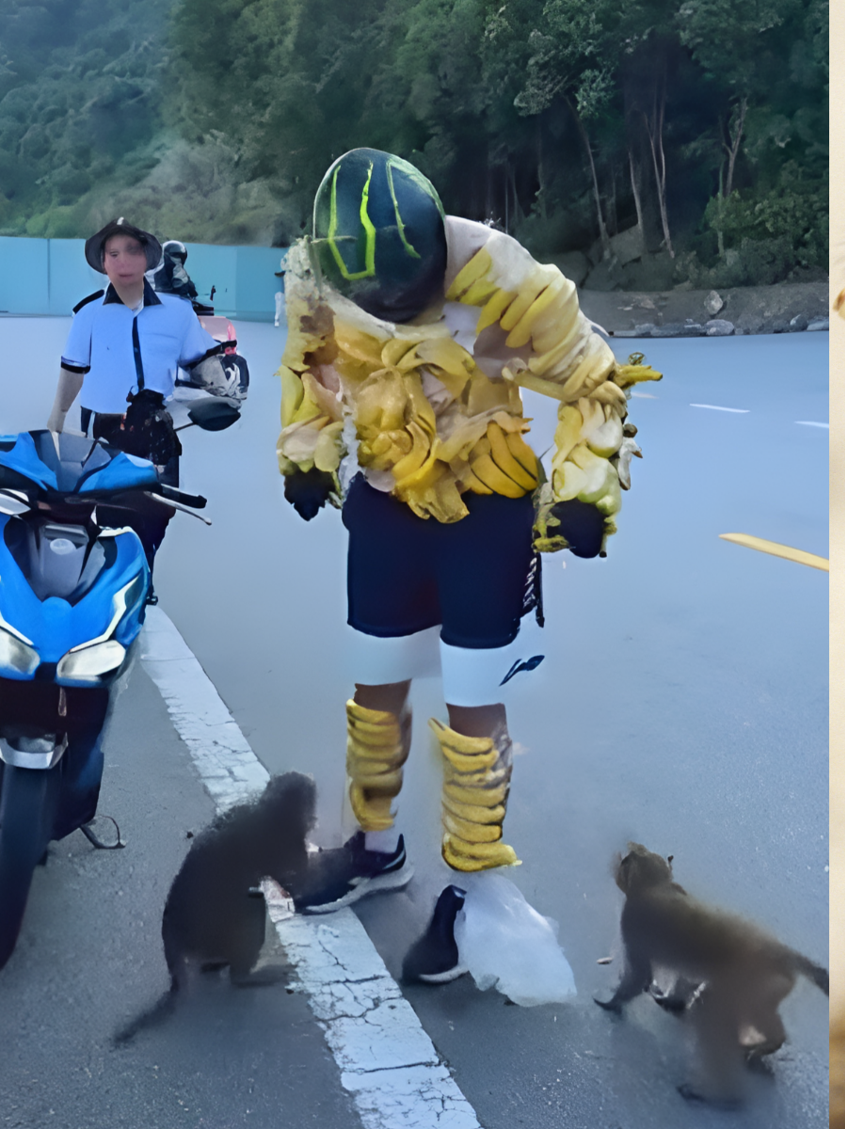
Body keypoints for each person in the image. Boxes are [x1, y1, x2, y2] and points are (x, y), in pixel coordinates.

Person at [277, 149, 659, 987]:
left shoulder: (500, 272)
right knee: (375, 687)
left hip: (485, 509)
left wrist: (585, 491)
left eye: (410, 290)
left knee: (473, 702)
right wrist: (308, 449)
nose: (393, 307)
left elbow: (593, 383)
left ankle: (475, 889)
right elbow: (313, 370)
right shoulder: (316, 275)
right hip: (384, 500)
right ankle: (377, 848)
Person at [48, 219, 234, 600]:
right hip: (103, 430)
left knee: (159, 510)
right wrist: (58, 415)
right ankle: (123, 581)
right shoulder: (88, 315)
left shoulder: (178, 313)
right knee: (110, 510)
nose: (123, 261)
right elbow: (73, 369)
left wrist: (222, 380)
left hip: (156, 430)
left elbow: (199, 359)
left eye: (132, 251)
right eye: (113, 253)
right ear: (102, 262)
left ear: (148, 257)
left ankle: (143, 567)